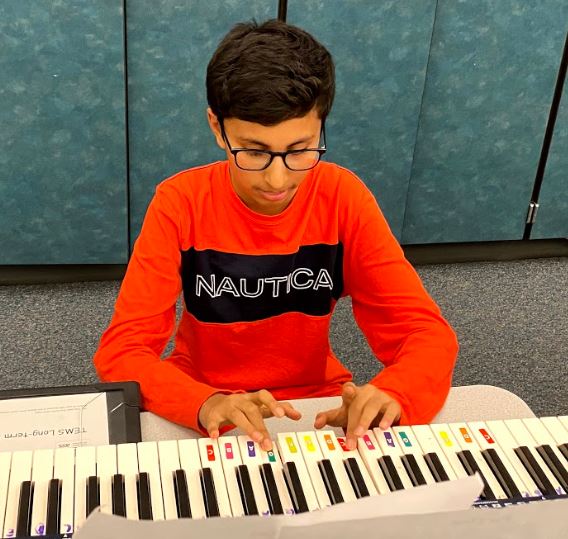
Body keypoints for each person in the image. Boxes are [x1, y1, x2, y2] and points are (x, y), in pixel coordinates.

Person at [93, 19, 458, 452]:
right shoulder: (179, 203)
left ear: (320, 126)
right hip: (206, 402)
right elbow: (123, 351)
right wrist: (203, 402)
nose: (277, 178)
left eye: (301, 150)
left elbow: (424, 333)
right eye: (255, 151)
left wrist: (396, 392)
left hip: (314, 402)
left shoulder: (343, 196)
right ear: (217, 126)